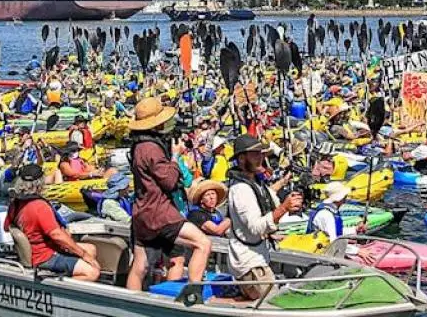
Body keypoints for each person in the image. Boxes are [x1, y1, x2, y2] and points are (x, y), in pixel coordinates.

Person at [125, 97, 211, 297]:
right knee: (203, 243)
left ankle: (131, 302)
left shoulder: (137, 146)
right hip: (159, 213)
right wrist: (175, 156)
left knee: (141, 264)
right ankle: (193, 295)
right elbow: (170, 181)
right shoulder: (151, 148)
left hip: (142, 212)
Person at [226, 134, 303, 300]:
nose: (260, 158)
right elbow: (256, 227)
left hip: (257, 259)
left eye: (261, 153)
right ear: (241, 158)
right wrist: (284, 208)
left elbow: (267, 195)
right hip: (250, 264)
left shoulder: (254, 182)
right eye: (255, 154)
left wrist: (284, 181)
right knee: (272, 303)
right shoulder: (241, 189)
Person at [3, 164, 101, 280]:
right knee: (92, 272)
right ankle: (58, 287)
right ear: (40, 183)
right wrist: (83, 255)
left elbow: (6, 227)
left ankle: (72, 277)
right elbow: (57, 235)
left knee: (91, 249)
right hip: (45, 256)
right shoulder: (40, 206)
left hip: (36, 252)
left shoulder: (15, 204)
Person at [306, 182, 376, 264]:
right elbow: (334, 243)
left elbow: (333, 232)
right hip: (321, 256)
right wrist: (358, 251)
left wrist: (355, 229)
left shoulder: (328, 209)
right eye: (344, 196)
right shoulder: (327, 214)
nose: (345, 199)